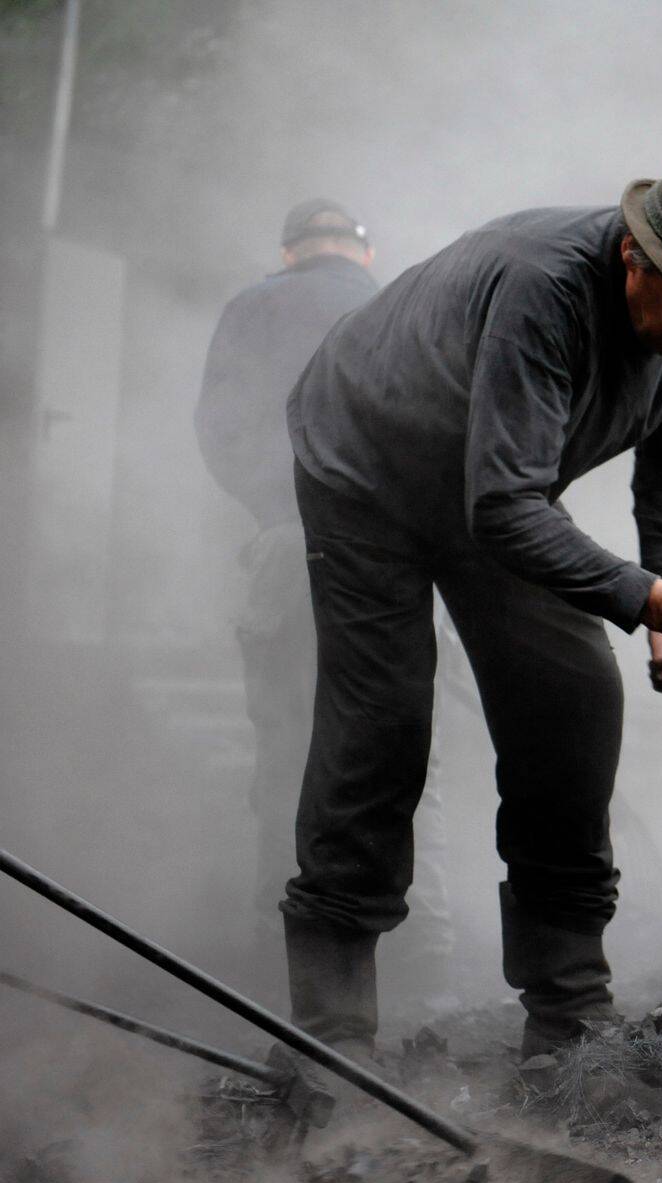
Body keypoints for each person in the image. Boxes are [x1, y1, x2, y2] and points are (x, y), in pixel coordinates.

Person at [282, 154, 662, 1059]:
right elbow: (503, 510)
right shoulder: (545, 287)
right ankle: (329, 1033)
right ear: (633, 258)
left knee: (575, 701)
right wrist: (648, 598)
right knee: (382, 729)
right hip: (365, 467)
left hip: (494, 488)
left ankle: (569, 1016)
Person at [193, 199, 455, 991]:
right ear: (362, 253)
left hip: (289, 546)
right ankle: (420, 945)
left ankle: (280, 947)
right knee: (404, 748)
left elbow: (219, 428)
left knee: (286, 746)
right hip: (393, 554)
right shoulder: (396, 299)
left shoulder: (251, 306)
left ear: (288, 253)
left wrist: (276, 507)